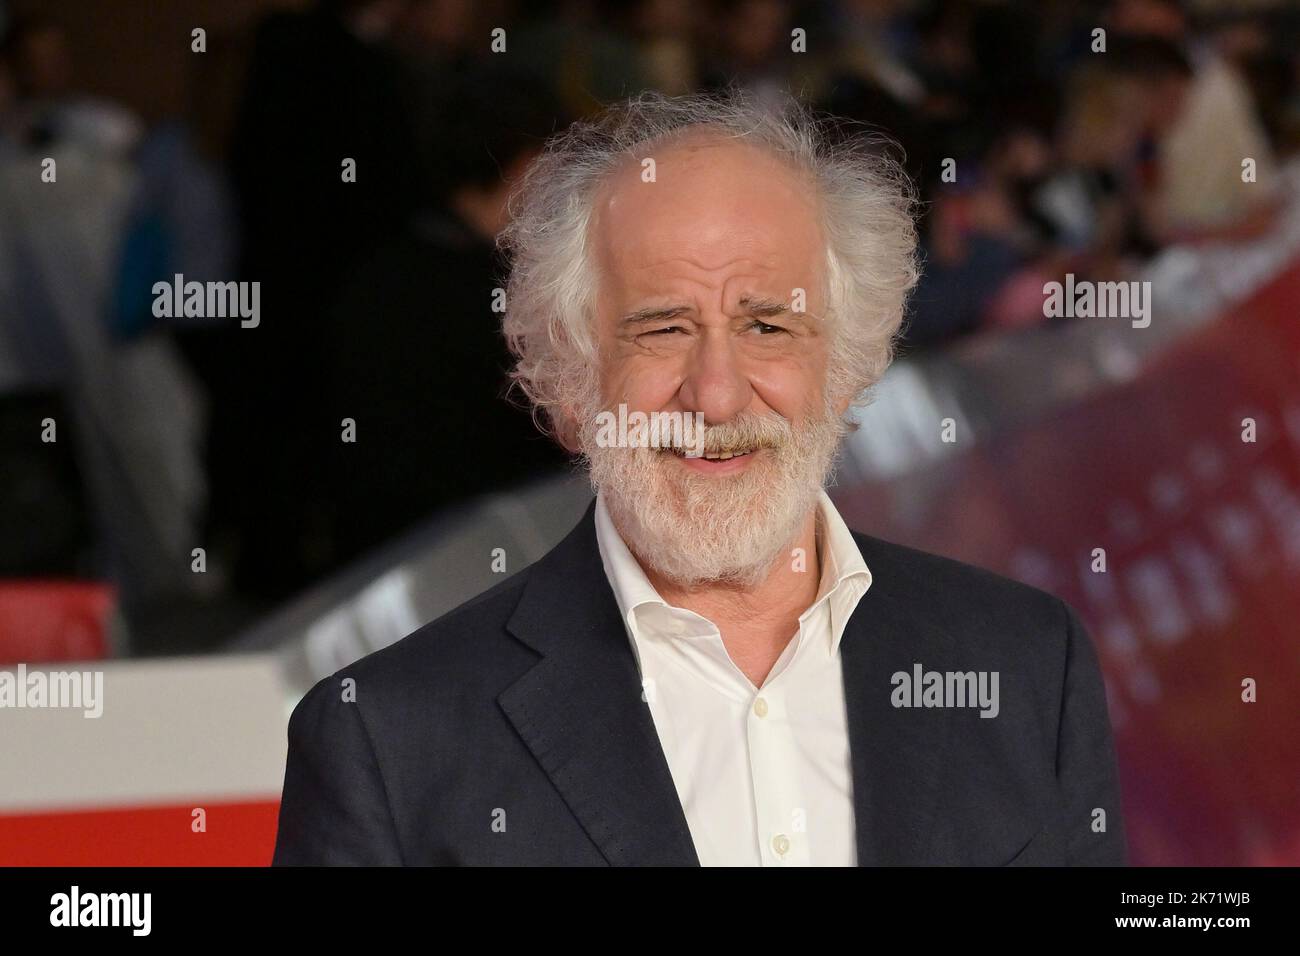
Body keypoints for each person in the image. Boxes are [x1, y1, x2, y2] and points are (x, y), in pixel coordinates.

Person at [273, 89, 1126, 866]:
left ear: (849, 360)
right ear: (570, 381)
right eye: (662, 329)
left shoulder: (1025, 666)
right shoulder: (386, 743)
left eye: (767, 326)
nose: (715, 394)